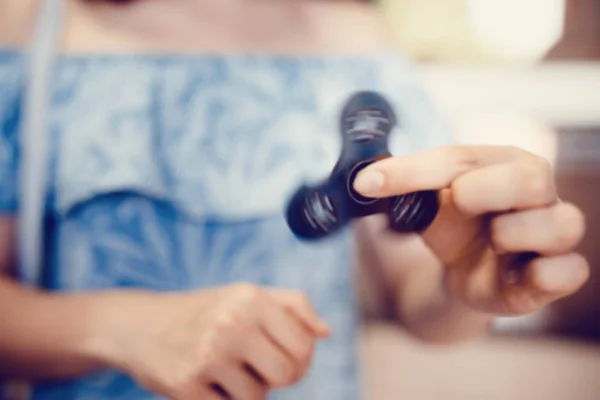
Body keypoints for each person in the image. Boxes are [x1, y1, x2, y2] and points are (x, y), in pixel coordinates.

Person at [0, 0, 588, 399]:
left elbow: (419, 293)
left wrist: (469, 289)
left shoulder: (357, 41)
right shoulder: (26, 33)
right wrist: (123, 327)